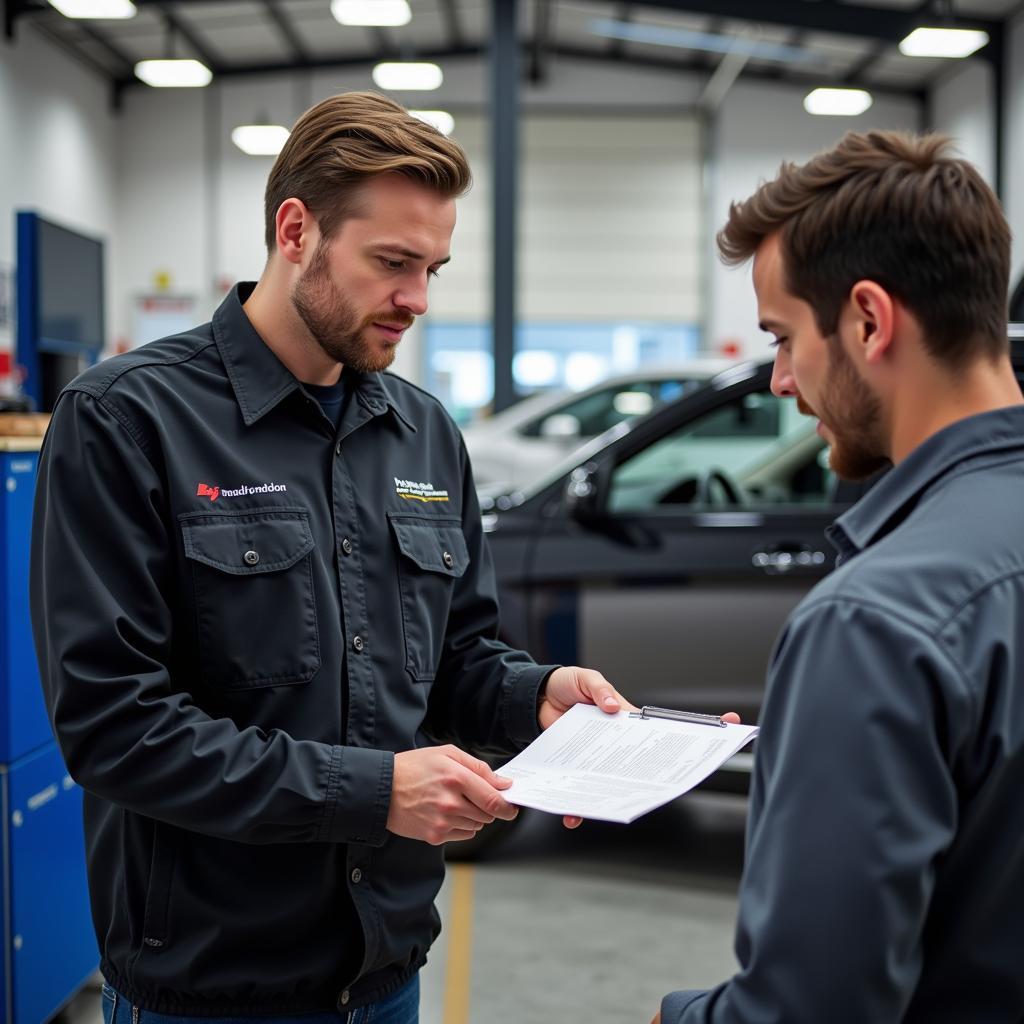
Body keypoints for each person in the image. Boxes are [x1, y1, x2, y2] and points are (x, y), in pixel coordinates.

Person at [29, 91, 628, 1023]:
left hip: (385, 969)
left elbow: (457, 655)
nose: (418, 301)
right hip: (211, 986)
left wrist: (535, 694)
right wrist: (376, 790)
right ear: (297, 229)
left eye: (433, 267)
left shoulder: (425, 433)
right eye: (393, 263)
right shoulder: (128, 420)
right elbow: (114, 726)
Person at [654, 131, 1024, 1023]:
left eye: (784, 338)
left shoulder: (876, 622)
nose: (780, 380)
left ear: (868, 319)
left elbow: (810, 1007)